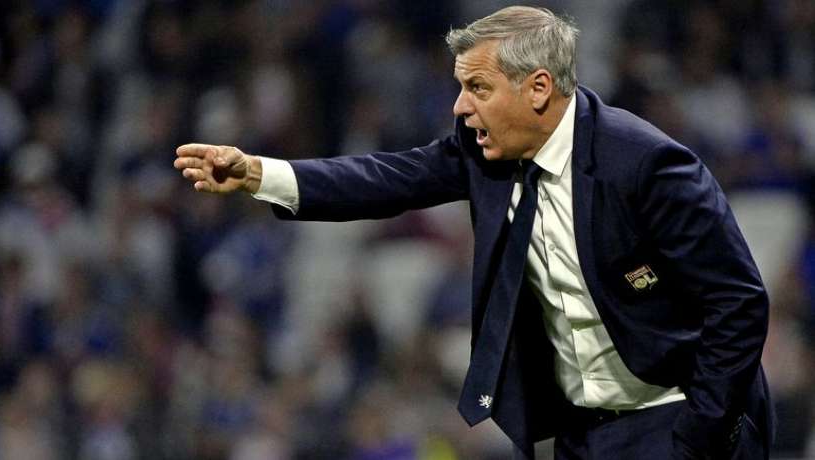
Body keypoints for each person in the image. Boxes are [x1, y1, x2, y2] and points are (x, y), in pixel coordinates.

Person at [174, 6, 773, 460]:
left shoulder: (645, 165)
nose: (460, 107)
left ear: (539, 88)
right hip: (583, 435)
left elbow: (739, 301)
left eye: (478, 88)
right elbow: (386, 179)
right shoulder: (484, 153)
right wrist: (259, 174)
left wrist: (701, 432)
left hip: (676, 419)